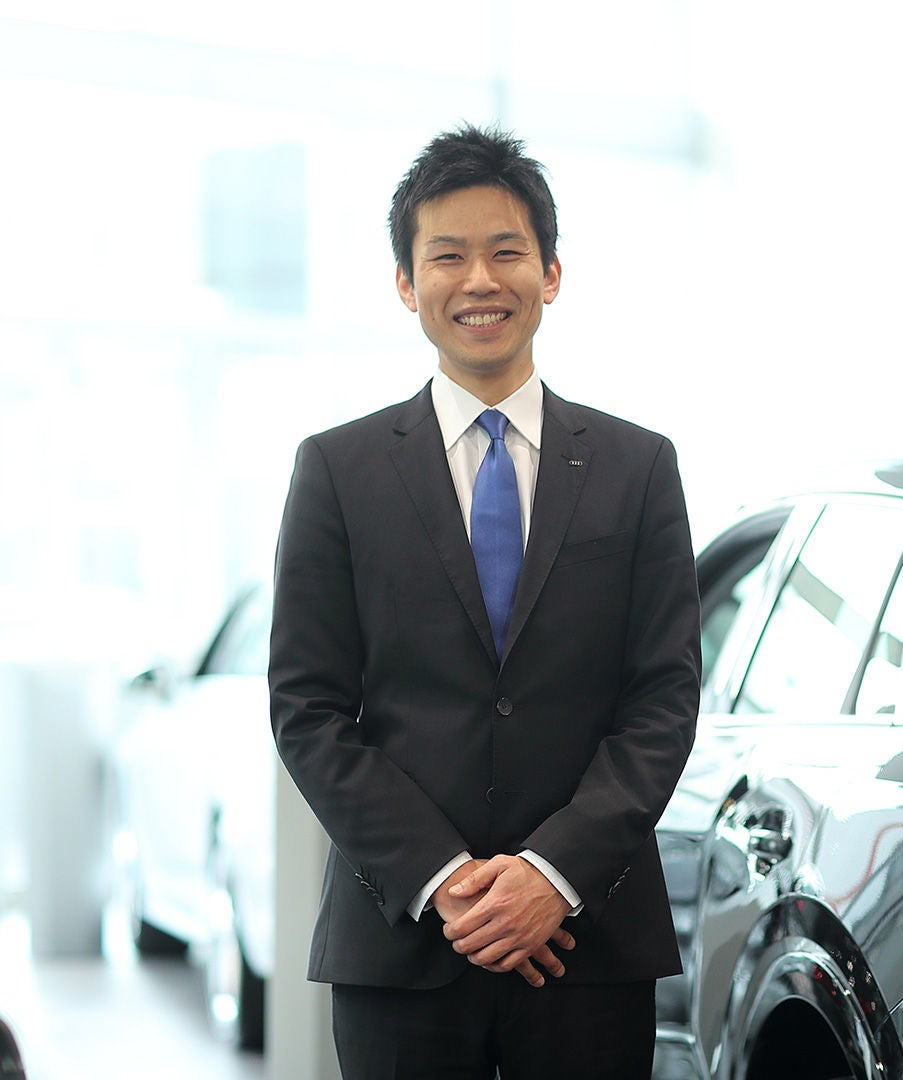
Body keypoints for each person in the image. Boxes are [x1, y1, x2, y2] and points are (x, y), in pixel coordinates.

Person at [269, 123, 701, 1079]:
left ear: (551, 273)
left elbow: (664, 701)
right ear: (405, 282)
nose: (479, 281)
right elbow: (307, 708)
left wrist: (553, 874)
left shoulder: (638, 467)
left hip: (588, 945)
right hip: (403, 944)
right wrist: (445, 879)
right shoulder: (337, 470)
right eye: (447, 256)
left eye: (506, 252)